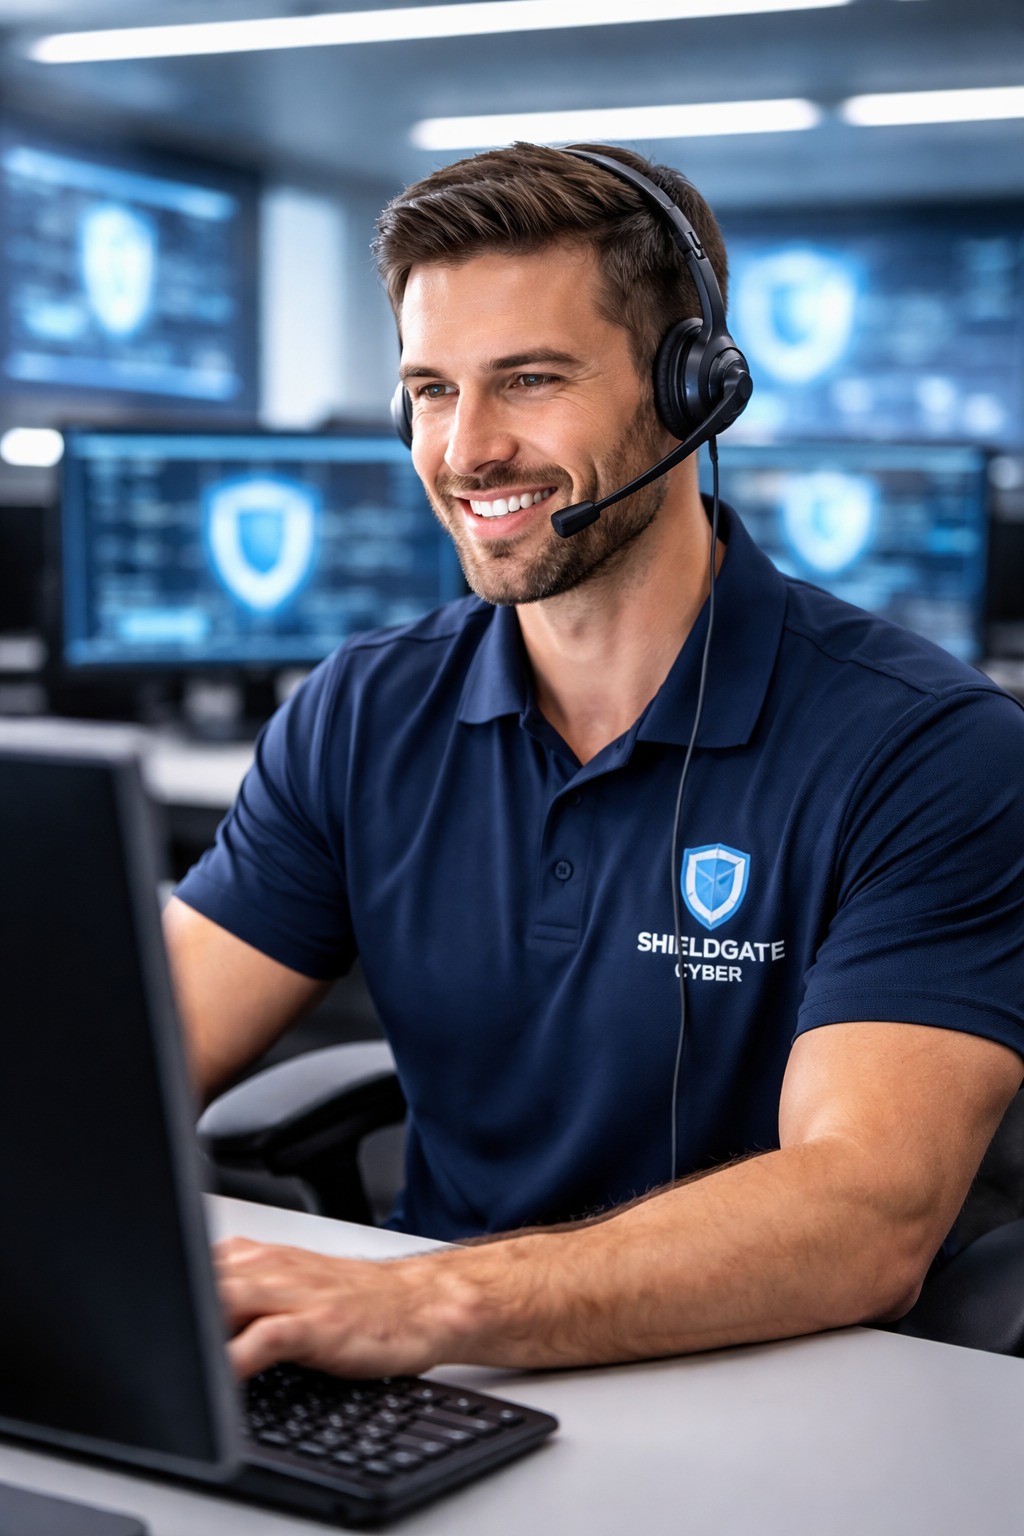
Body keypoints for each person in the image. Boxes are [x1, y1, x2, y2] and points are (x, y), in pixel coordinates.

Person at [166, 143, 1024, 1381]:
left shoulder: (928, 749)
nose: (466, 450)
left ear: (690, 390)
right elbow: (134, 1048)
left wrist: (431, 1301)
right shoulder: (361, 710)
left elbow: (865, 1210)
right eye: (430, 389)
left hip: (785, 1389)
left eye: (528, 379)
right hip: (433, 1374)